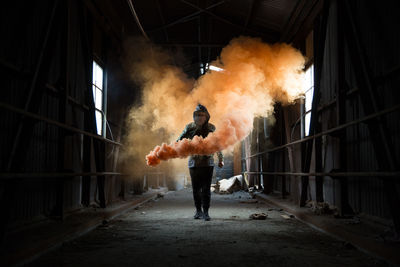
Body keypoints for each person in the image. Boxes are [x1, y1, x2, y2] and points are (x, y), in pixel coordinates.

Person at [177, 104, 224, 221]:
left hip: (208, 162)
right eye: (197, 115)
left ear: (207, 116)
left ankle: (206, 212)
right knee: (195, 189)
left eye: (202, 115)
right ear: (194, 116)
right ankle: (198, 211)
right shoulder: (189, 127)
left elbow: (218, 145)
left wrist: (221, 159)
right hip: (193, 163)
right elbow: (179, 140)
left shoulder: (211, 128)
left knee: (206, 189)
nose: (199, 117)